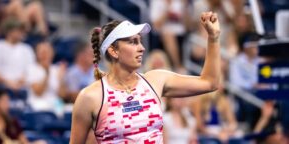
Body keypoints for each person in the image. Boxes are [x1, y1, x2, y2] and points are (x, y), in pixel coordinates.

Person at [70, 11, 221, 143]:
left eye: (140, 41)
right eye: (133, 42)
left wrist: (213, 38)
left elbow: (210, 83)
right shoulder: (90, 97)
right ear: (114, 51)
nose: (141, 48)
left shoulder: (155, 80)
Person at [0, 18, 35, 92]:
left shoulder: (27, 49)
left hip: (22, 88)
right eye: (18, 30)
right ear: (9, 31)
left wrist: (21, 81)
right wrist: (8, 82)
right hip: (0, 88)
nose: (21, 33)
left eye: (22, 30)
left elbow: (31, 69)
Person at [26, 41, 67, 114]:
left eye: (48, 52)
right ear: (37, 54)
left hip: (55, 103)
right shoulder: (32, 69)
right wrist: (47, 74)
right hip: (38, 103)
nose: (45, 55)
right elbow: (38, 92)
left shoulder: (56, 69)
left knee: (70, 110)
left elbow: (62, 96)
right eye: (42, 52)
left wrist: (61, 79)